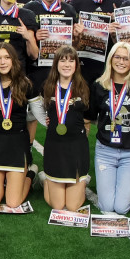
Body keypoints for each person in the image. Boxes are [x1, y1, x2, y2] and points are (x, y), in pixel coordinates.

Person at [0, 42, 45, 210]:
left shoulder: (26, 84)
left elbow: (40, 116)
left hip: (16, 144)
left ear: (14, 60)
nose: (2, 62)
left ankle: (31, 173)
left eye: (7, 58)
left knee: (12, 203)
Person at [90, 41, 130, 216]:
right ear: (111, 59)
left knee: (122, 208)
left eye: (126, 58)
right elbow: (89, 116)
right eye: (118, 57)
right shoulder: (99, 85)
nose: (121, 62)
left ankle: (123, 188)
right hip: (105, 151)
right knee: (106, 207)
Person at [39, 45, 92, 212]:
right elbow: (41, 109)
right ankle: (44, 178)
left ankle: (82, 179)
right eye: (62, 60)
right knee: (58, 206)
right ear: (56, 64)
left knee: (72, 206)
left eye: (71, 61)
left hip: (77, 147)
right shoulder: (47, 86)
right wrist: (47, 120)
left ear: (76, 64)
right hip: (55, 146)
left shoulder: (83, 86)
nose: (67, 64)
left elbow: (89, 115)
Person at [71, 0, 120, 82]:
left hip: (107, 58)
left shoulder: (116, 2)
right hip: (85, 57)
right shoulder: (78, 1)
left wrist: (117, 17)